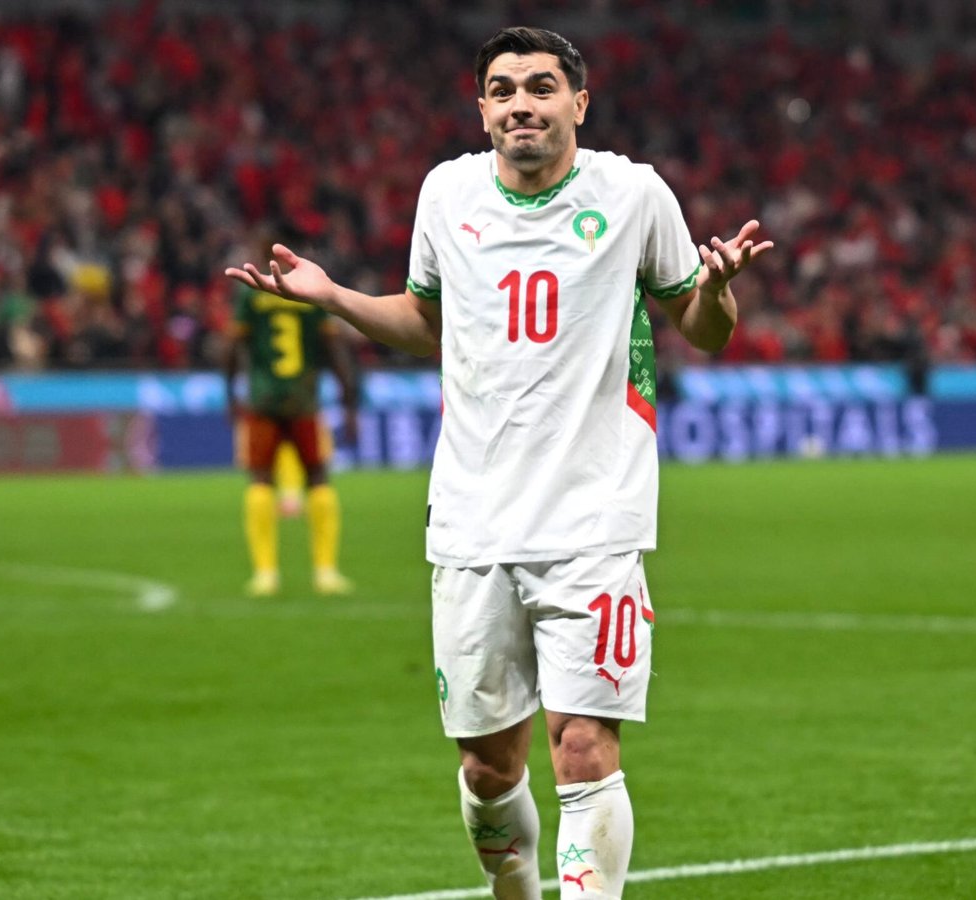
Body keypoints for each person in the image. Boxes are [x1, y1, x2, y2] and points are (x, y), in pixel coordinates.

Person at [227, 26, 764, 899]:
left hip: (595, 518)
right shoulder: (446, 194)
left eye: (542, 87)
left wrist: (717, 289)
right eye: (504, 90)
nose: (522, 104)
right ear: (481, 110)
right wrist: (334, 298)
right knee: (487, 769)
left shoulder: (634, 194)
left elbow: (701, 329)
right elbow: (426, 323)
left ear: (579, 103)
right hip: (472, 521)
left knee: (583, 747)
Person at [226, 279, 360, 596]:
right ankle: (326, 572)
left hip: (262, 400)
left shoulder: (250, 293)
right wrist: (349, 404)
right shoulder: (308, 291)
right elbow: (333, 348)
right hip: (304, 398)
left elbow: (233, 347)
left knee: (261, 479)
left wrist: (230, 395)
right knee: (317, 477)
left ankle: (265, 574)